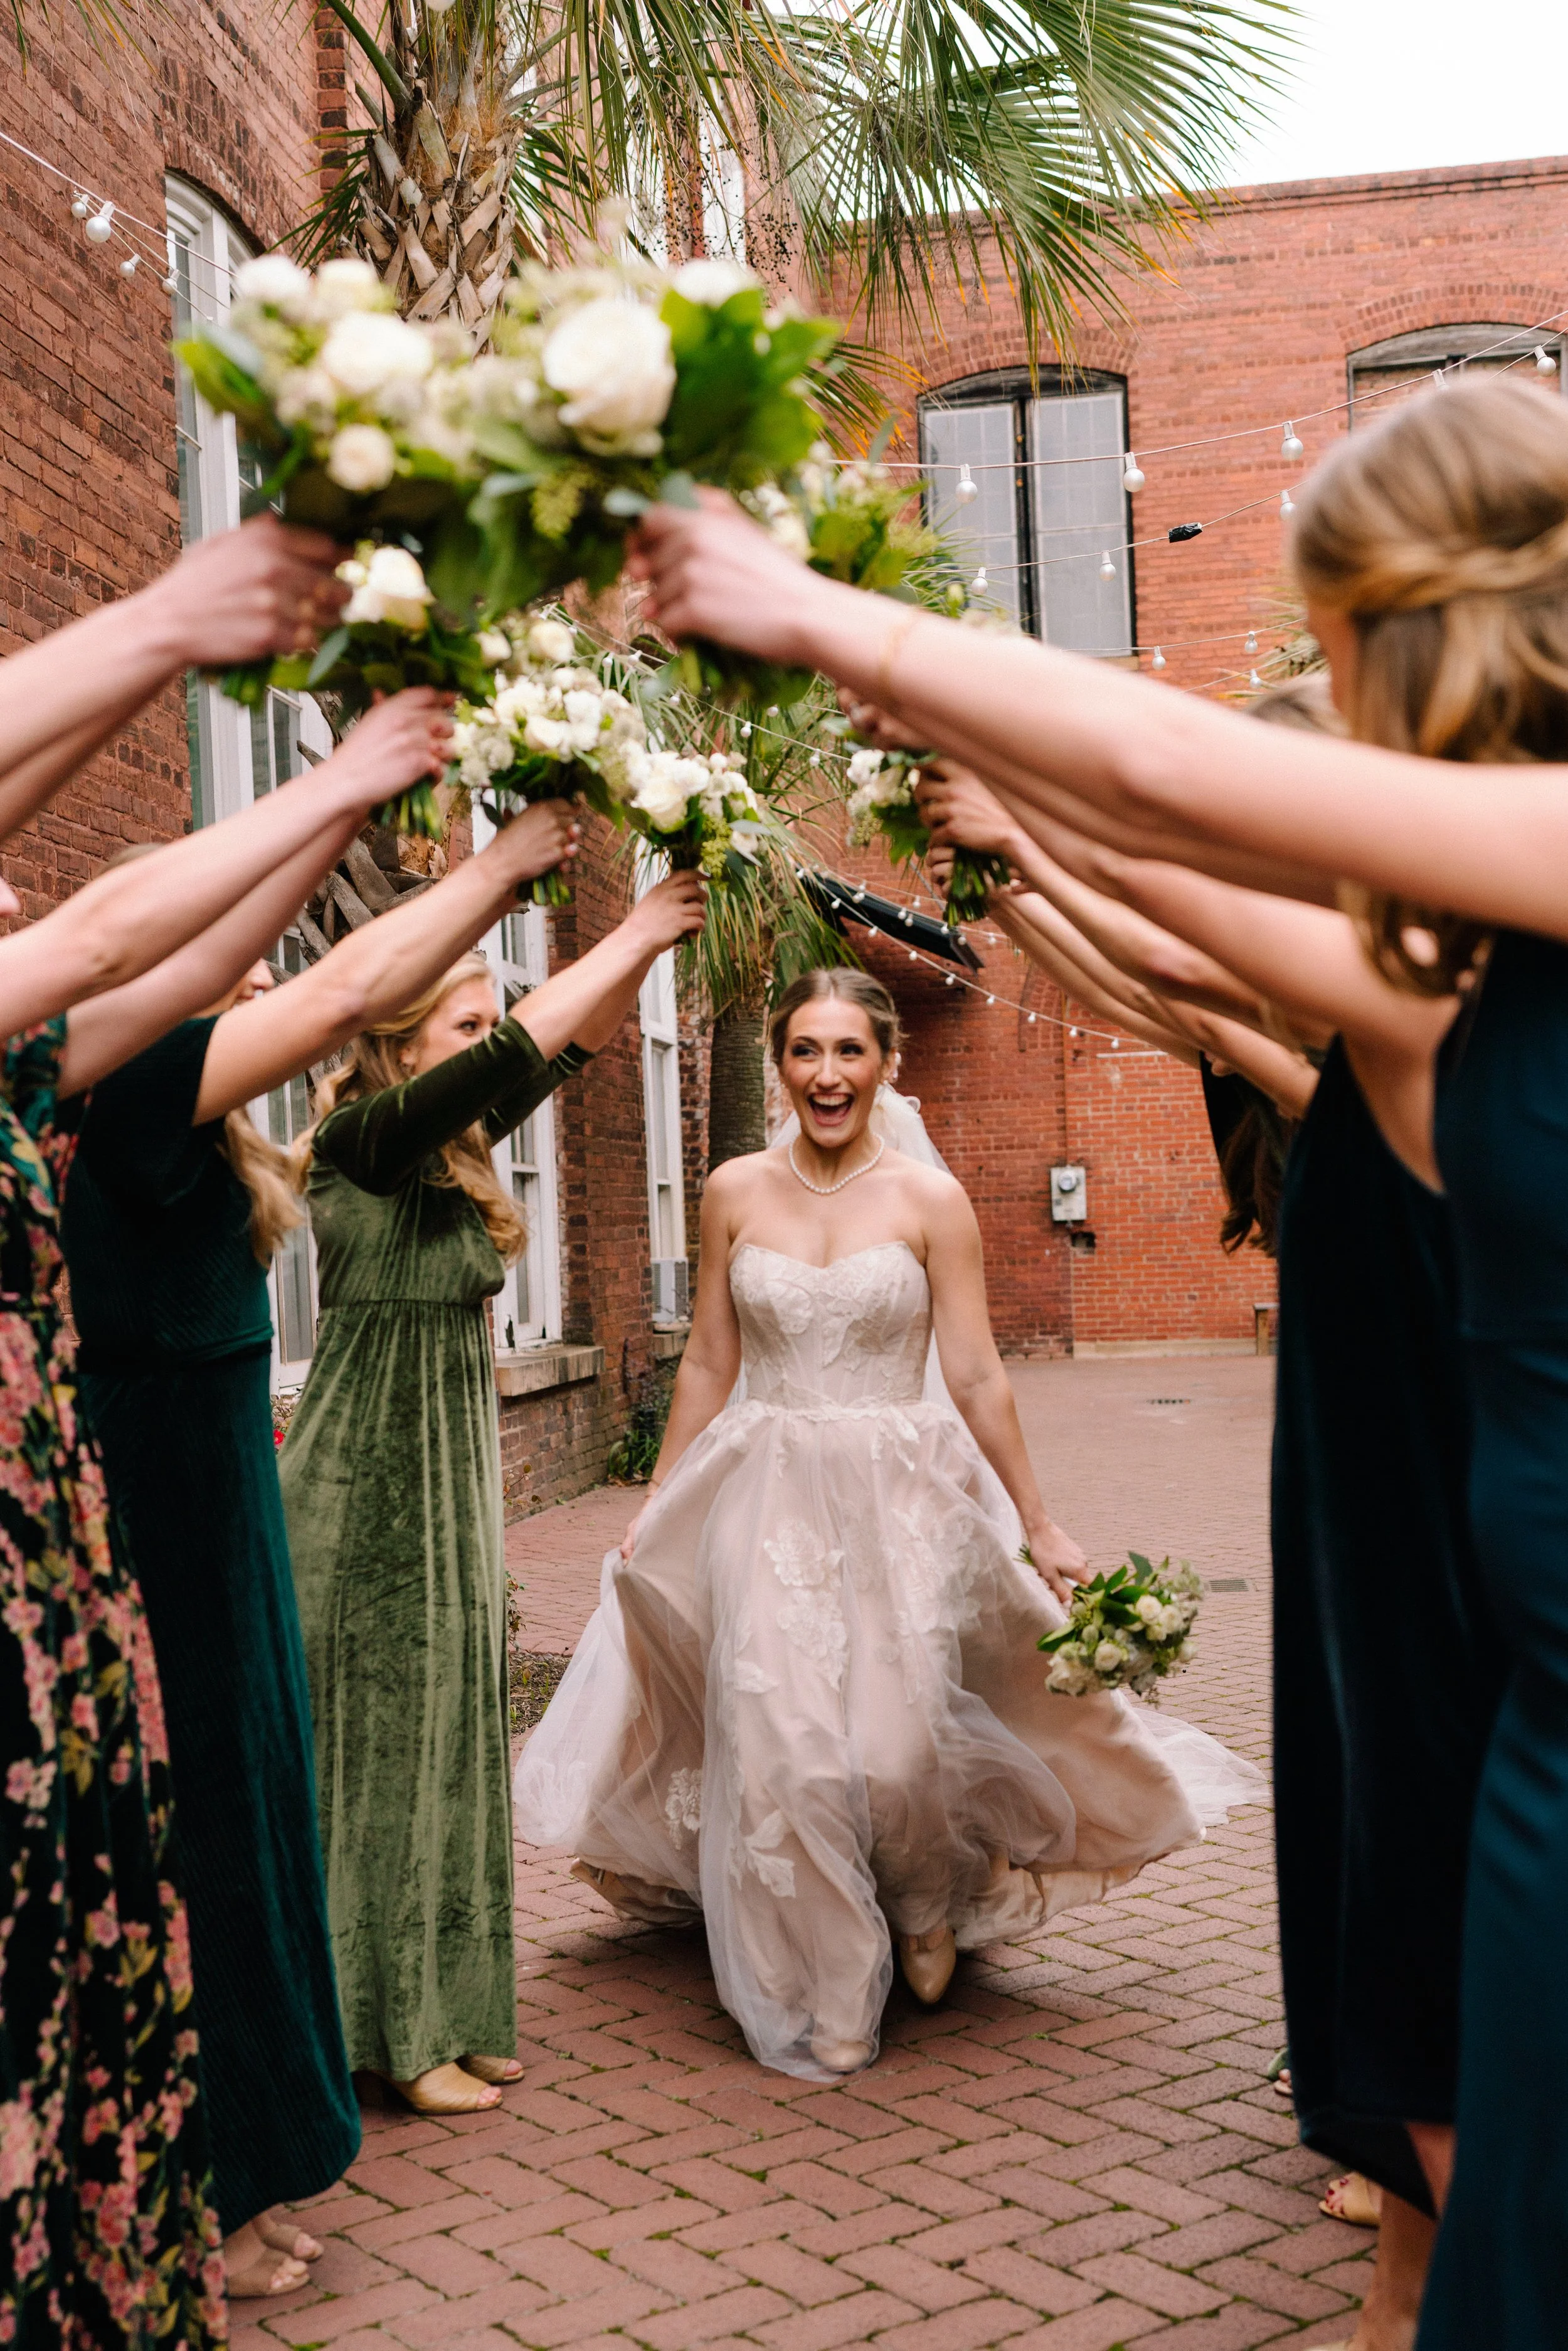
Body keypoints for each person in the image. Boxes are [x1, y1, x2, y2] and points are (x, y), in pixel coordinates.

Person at [514, 967, 1264, 2081]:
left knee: (899, 1743)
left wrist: (1039, 1523)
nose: (828, 1074)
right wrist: (662, 1495)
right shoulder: (732, 1191)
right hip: (762, 1489)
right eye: (806, 1051)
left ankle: (924, 1900)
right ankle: (826, 1978)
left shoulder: (929, 1202)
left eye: (850, 1052)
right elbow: (713, 1359)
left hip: (901, 1495)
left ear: (887, 1064)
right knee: (785, 1746)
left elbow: (975, 1373)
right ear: (780, 1063)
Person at [57, 793, 580, 2296]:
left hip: (223, 1505)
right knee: (207, 1846)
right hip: (160, 1517)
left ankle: (269, 2159)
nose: (269, 986)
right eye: (237, 966)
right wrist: (482, 858)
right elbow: (354, 989)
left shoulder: (197, 1120)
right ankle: (208, 2189)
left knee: (264, 1832)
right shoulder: (141, 1087)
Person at [0, 530, 410, 2350]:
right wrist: (361, 777)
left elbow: (170, 947)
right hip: (99, 1494)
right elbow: (128, 929)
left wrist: (340, 816)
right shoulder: (111, 1069)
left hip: (68, 1521)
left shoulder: (63, 1061)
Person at [281, 873, 707, 2118]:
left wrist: (655, 928)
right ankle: (391, 2033)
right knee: (386, 1760)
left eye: (482, 1024)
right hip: (364, 1488)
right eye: (463, 1023)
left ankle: (457, 2010)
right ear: (399, 1040)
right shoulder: (362, 1141)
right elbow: (518, 1052)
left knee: (457, 1743)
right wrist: (625, 930)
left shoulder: (452, 1153)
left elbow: (563, 1042)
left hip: (446, 1479)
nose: (486, 1046)